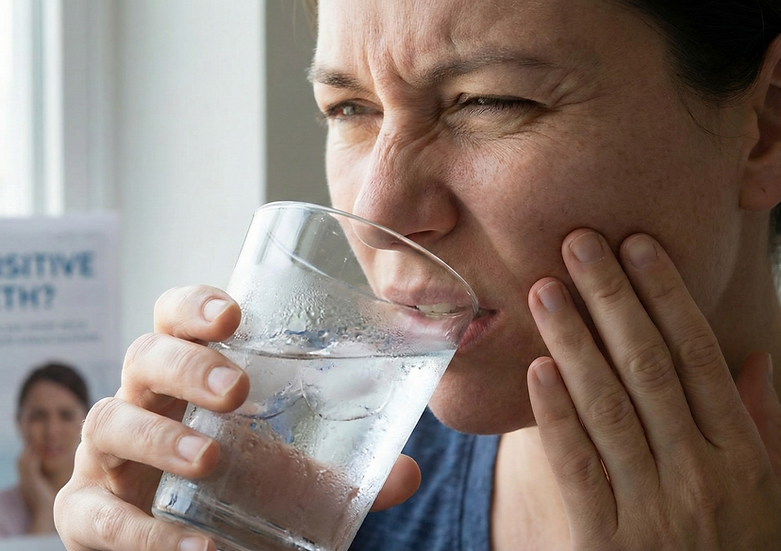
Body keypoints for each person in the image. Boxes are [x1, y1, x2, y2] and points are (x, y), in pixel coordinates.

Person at [54, 0, 781, 549]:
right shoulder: (308, 500)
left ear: (766, 127)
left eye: (489, 101)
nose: (379, 208)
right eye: (350, 108)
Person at [0, 362, 89, 540]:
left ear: (87, 422)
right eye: (38, 416)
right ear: (20, 423)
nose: (52, 431)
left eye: (66, 415)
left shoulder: (109, 503)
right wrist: (44, 512)